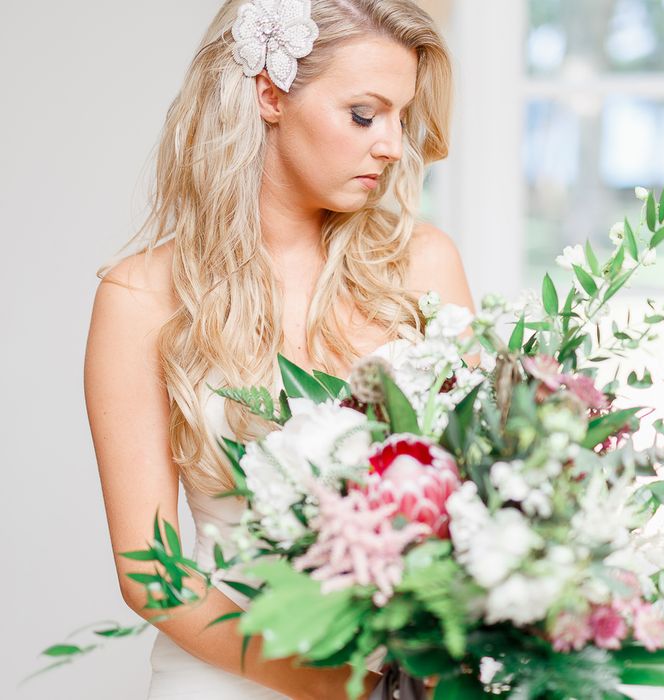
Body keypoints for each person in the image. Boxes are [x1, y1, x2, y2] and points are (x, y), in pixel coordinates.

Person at [84, 0, 474, 697]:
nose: (390, 145)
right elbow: (151, 570)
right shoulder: (140, 296)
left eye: (400, 119)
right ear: (270, 93)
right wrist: (332, 686)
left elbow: (482, 497)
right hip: (229, 674)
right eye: (364, 113)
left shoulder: (425, 266)